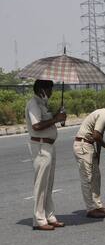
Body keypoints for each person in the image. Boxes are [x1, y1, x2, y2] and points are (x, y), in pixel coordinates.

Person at [25, 80, 67, 231]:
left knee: (49, 185)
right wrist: (56, 119)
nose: (51, 93)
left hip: (48, 145)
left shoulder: (42, 104)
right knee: (41, 184)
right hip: (41, 146)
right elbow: (36, 126)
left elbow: (46, 122)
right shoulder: (33, 104)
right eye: (49, 90)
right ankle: (39, 219)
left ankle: (49, 216)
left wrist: (57, 116)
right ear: (42, 90)